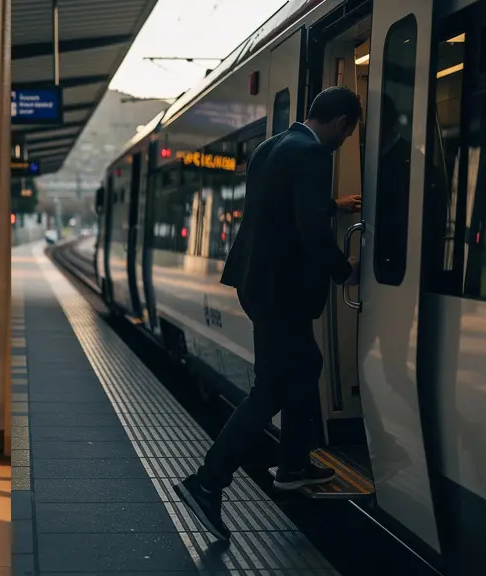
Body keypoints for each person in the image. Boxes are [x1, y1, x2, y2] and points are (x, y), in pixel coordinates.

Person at [173, 86, 364, 541]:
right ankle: (207, 482)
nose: (343, 142)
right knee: (271, 389)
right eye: (347, 134)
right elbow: (309, 230)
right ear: (342, 123)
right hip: (283, 291)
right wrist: (346, 271)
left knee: (307, 365)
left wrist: (332, 206)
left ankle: (293, 465)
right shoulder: (313, 155)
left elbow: (278, 207)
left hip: (258, 284)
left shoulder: (271, 147)